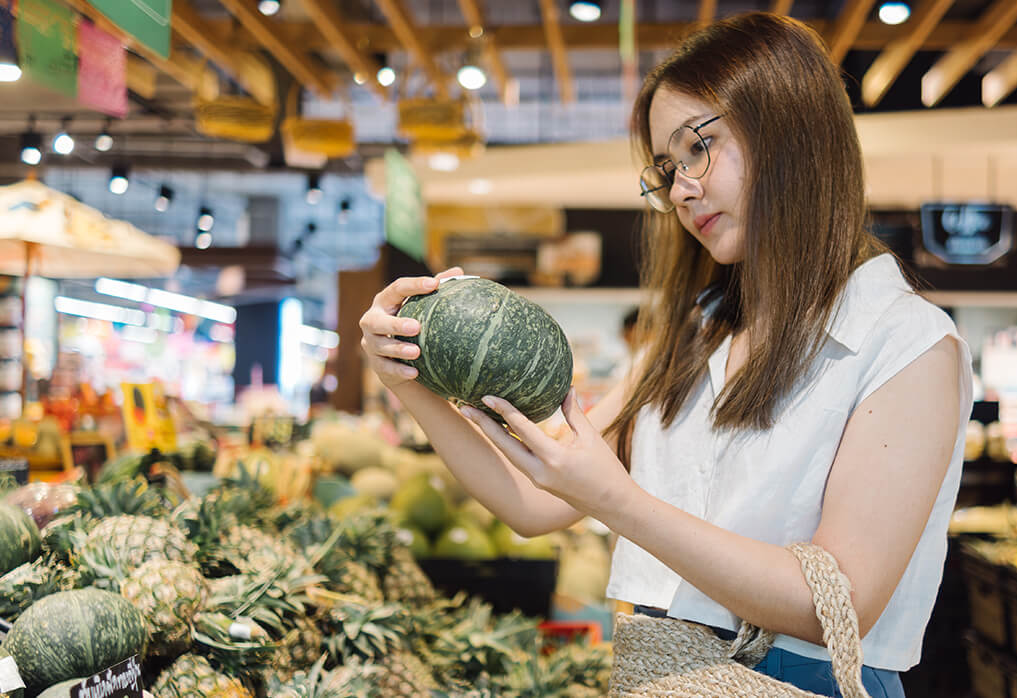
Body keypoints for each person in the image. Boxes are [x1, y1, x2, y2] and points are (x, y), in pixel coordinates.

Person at [360, 13, 970, 697]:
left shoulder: (906, 343)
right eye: (666, 168)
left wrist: (617, 502)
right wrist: (410, 376)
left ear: (790, 127)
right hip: (658, 673)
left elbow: (837, 604)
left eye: (698, 149)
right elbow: (534, 500)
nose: (681, 190)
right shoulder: (695, 330)